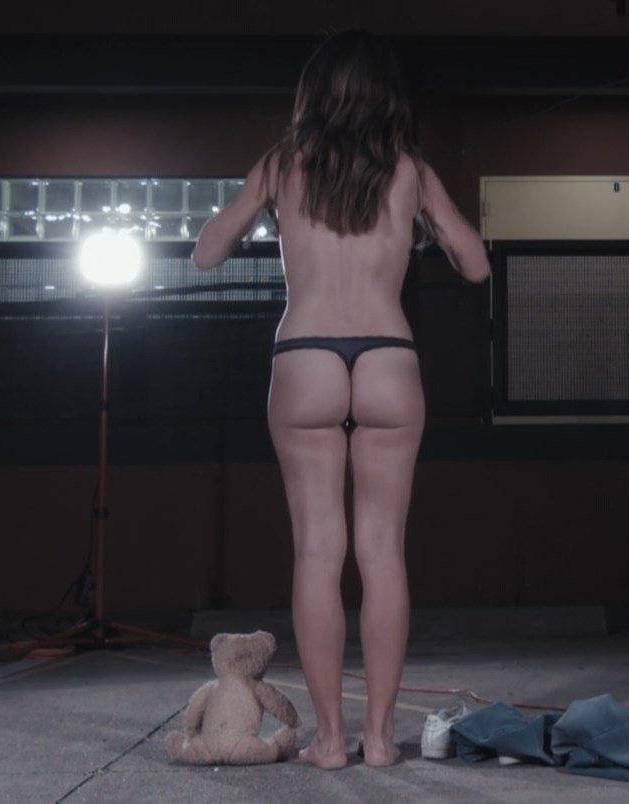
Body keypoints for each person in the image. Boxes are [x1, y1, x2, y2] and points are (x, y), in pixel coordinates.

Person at [190, 29, 490, 770]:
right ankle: (380, 740)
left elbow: (206, 251)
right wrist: (423, 219)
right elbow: (477, 266)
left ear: (313, 94)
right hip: (388, 355)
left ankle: (329, 741)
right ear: (390, 98)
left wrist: (266, 205)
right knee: (383, 552)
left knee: (318, 551)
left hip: (306, 355)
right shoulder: (409, 169)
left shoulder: (281, 164)